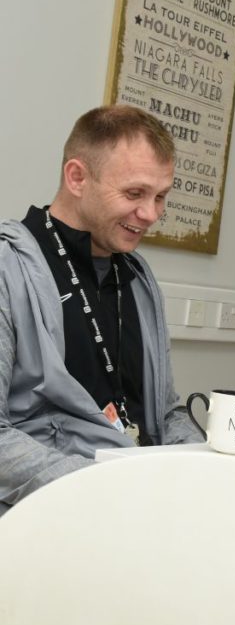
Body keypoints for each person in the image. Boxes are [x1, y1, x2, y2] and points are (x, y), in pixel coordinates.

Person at [0, 105, 203, 515]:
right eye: (134, 194)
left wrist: (201, 463)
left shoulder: (138, 278)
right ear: (77, 177)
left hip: (141, 504)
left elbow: (163, 411)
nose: (151, 215)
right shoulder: (8, 267)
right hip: (54, 517)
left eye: (161, 196)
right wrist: (103, 490)